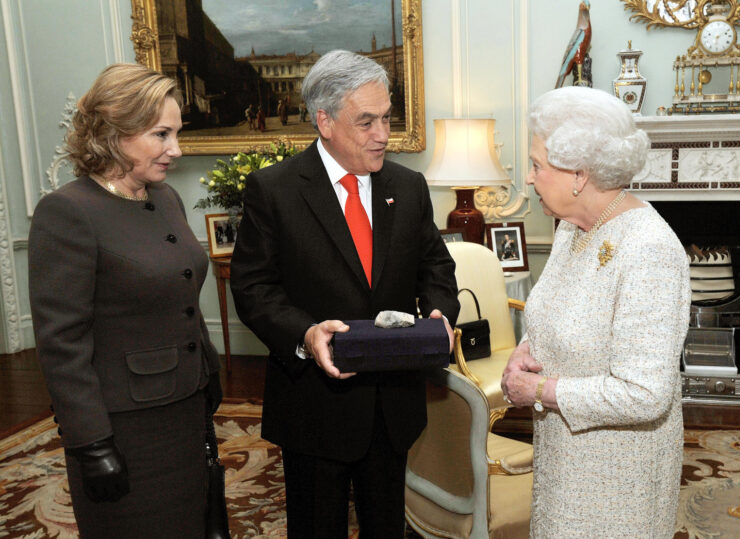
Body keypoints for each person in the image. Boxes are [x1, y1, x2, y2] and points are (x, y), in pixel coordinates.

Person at [230, 50, 459, 538]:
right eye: (367, 122)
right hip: (315, 405)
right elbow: (253, 288)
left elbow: (435, 266)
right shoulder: (275, 190)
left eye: (387, 119)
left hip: (392, 403)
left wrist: (439, 312)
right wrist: (306, 333)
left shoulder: (408, 186)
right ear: (325, 121)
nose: (383, 135)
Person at [28, 63, 223, 539]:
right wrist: (91, 444)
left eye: (176, 134)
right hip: (124, 428)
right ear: (113, 131)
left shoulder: (167, 198)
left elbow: (181, 293)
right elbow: (62, 346)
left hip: (186, 409)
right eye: (161, 134)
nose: (175, 150)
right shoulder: (68, 212)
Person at [500, 86, 690, 537]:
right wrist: (524, 352)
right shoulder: (572, 226)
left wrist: (541, 389)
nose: (529, 178)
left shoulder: (650, 250)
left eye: (537, 165)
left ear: (579, 175)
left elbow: (645, 393)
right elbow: (556, 314)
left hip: (618, 478)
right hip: (565, 462)